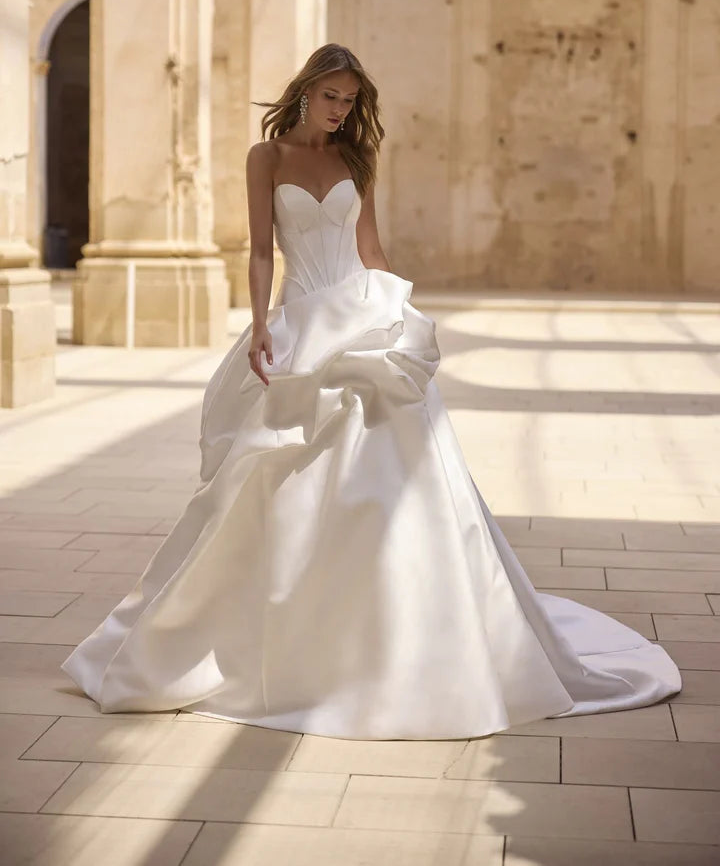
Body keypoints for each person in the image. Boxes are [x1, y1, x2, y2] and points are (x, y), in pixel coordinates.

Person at [61, 43, 681, 739]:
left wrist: (401, 314)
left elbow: (371, 249)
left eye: (351, 100)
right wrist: (259, 324)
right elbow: (262, 250)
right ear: (304, 91)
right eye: (332, 96)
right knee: (273, 478)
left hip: (361, 318)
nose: (341, 110)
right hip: (300, 324)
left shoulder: (356, 160)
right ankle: (274, 632)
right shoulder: (266, 158)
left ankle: (398, 630)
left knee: (396, 470)